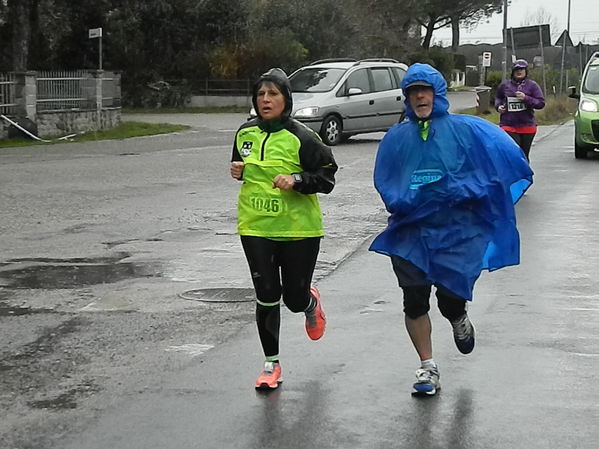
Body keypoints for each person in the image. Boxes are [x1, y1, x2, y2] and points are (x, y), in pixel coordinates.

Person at [369, 63, 533, 396]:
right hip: (411, 229)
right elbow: (385, 178)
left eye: (424, 90)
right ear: (406, 97)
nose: (419, 96)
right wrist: (402, 199)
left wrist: (458, 189)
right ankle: (427, 367)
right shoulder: (397, 137)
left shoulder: (467, 130)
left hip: (457, 229)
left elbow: (497, 170)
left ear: (437, 93)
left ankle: (458, 317)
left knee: (449, 299)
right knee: (414, 299)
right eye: (413, 91)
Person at [230, 68, 338, 390]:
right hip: (255, 226)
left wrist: (298, 180)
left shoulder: (302, 137)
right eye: (261, 94)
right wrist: (237, 170)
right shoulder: (244, 134)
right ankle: (271, 365)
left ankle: (309, 303)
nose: (266, 100)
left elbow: (328, 176)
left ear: (286, 100)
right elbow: (241, 165)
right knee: (266, 295)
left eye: (273, 94)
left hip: (298, 230)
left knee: (292, 297)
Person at [494, 59, 545, 161]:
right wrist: (498, 106)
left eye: (522, 69)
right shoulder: (505, 85)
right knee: (513, 153)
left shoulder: (532, 85)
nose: (519, 71)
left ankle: (525, 176)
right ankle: (513, 176)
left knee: (524, 156)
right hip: (508, 125)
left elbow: (541, 103)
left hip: (527, 126)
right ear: (512, 71)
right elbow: (498, 98)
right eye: (517, 69)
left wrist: (526, 98)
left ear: (526, 71)